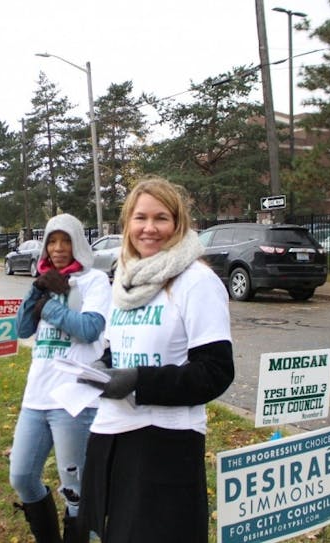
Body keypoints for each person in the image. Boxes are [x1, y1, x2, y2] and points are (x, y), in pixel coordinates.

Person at [78, 177, 235, 543]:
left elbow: (215, 371)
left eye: (161, 218)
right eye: (140, 218)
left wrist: (139, 381)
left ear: (177, 224)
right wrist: (103, 365)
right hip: (110, 432)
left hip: (164, 442)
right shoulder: (125, 280)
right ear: (127, 224)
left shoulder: (196, 282)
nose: (149, 228)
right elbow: (119, 346)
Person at [10, 214, 111, 543]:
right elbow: (22, 329)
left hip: (73, 399)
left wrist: (49, 308)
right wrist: (36, 291)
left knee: (74, 489)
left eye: (65, 240)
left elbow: (89, 329)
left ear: (78, 243)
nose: (58, 248)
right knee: (22, 476)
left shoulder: (94, 280)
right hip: (36, 396)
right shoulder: (44, 280)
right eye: (52, 241)